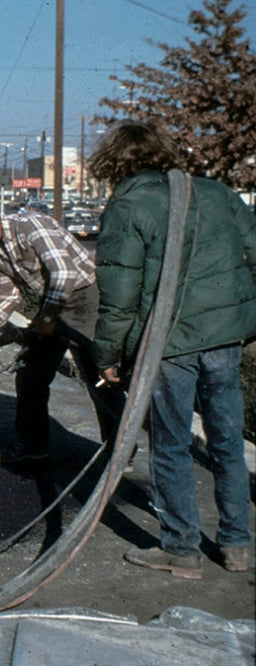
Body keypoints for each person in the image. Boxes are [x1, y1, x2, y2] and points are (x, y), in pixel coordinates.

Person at [88, 120, 256, 578]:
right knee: (226, 440)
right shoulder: (217, 192)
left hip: (168, 345)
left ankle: (182, 550)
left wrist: (107, 356)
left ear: (114, 162)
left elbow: (120, 295)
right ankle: (238, 546)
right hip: (223, 337)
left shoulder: (128, 204)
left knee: (170, 444)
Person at [0, 193, 124, 465]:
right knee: (31, 374)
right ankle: (32, 446)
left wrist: (48, 318)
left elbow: (65, 273)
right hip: (53, 304)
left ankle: (120, 452)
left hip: (85, 299)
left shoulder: (30, 225)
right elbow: (8, 293)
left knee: (99, 376)